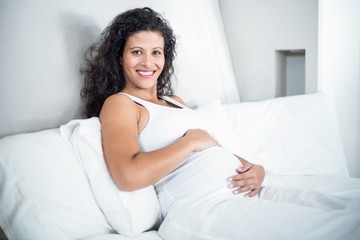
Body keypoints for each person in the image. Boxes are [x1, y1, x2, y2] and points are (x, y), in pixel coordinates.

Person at [81, 7, 360, 240]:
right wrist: (189, 142)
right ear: (119, 56)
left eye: (156, 52)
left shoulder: (174, 100)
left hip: (249, 191)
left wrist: (255, 168)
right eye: (137, 52)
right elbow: (128, 176)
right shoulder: (121, 103)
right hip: (204, 207)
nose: (148, 62)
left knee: (350, 210)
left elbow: (209, 147)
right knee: (334, 229)